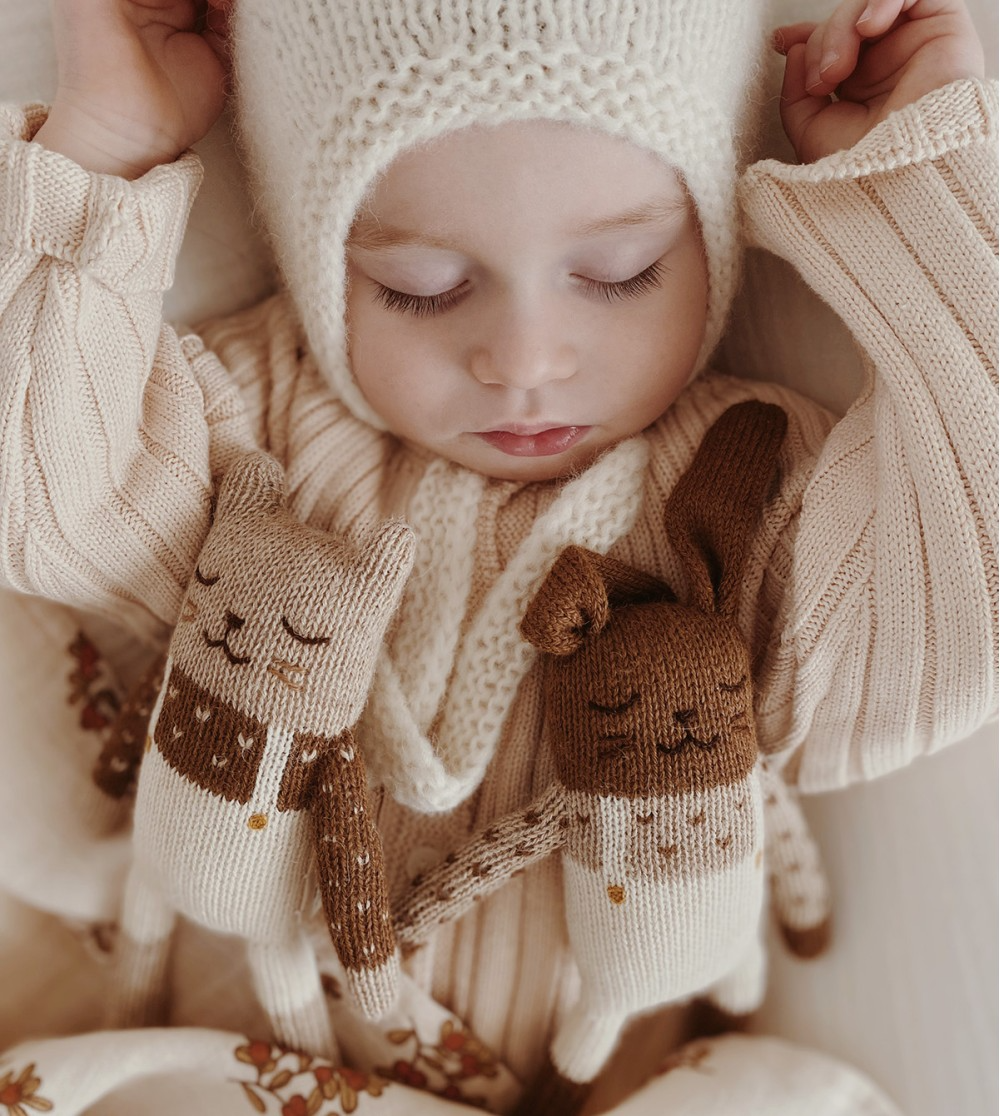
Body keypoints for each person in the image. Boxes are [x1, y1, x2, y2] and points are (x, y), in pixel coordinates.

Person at [0, 0, 995, 1112]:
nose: (523, 361)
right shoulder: (253, 419)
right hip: (238, 1069)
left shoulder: (748, 480)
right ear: (314, 256)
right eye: (420, 286)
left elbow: (969, 596)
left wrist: (915, 190)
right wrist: (107, 153)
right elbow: (40, 501)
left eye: (620, 271)